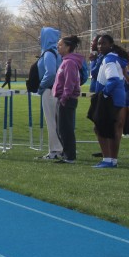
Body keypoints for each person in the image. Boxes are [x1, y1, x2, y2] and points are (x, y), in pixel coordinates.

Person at [89, 35, 127, 168]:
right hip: (118, 97)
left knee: (100, 128)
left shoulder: (109, 59)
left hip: (110, 98)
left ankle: (107, 159)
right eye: (99, 44)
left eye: (103, 43)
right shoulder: (114, 57)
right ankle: (113, 160)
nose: (100, 46)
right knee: (114, 129)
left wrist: (104, 94)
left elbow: (113, 79)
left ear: (111, 45)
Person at [53, 35, 85, 164]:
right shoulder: (65, 61)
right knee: (61, 128)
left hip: (66, 99)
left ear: (68, 47)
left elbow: (70, 82)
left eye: (60, 45)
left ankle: (69, 156)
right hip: (62, 98)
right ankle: (66, 153)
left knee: (65, 129)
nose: (58, 47)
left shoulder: (70, 62)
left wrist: (64, 98)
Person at [36, 27, 63, 160]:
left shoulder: (48, 53)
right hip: (57, 90)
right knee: (58, 121)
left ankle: (55, 150)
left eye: (41, 36)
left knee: (51, 122)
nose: (39, 38)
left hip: (50, 90)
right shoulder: (57, 52)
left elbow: (51, 73)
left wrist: (41, 86)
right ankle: (61, 148)